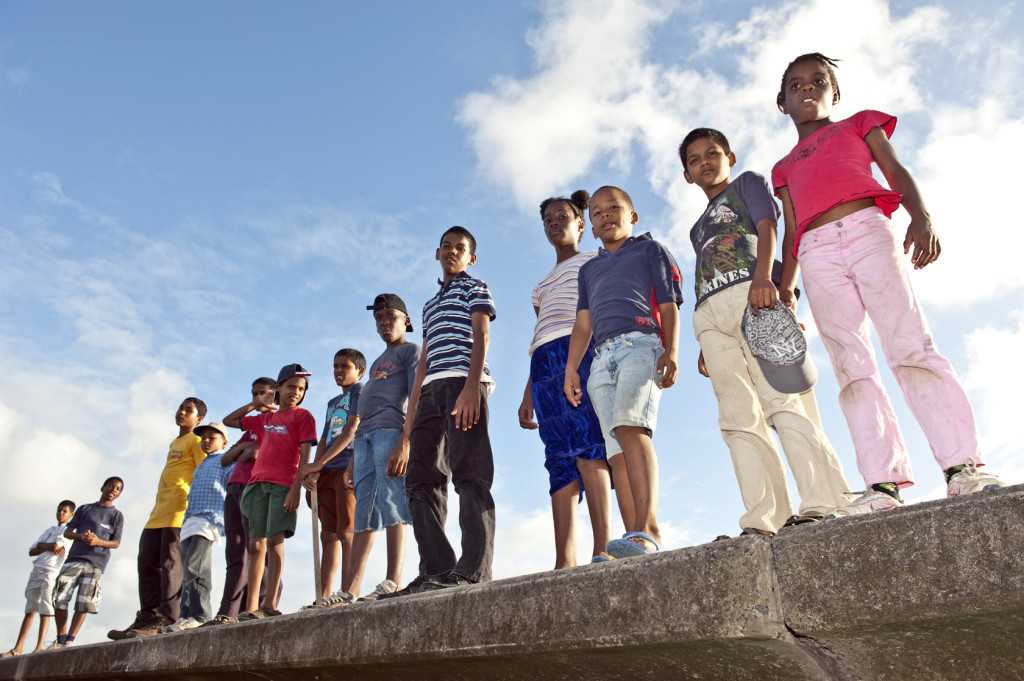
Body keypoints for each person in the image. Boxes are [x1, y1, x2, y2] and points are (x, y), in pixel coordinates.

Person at [772, 53, 1005, 516]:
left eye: (819, 81)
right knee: (851, 368)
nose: (808, 89)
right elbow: (792, 230)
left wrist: (921, 215)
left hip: (868, 232)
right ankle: (883, 485)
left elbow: (895, 173)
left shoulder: (860, 124)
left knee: (909, 344)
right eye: (796, 85)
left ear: (834, 93)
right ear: (782, 102)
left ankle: (963, 467)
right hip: (816, 253)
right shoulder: (783, 168)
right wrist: (786, 288)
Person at [679, 127, 852, 536]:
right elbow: (707, 271)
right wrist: (704, 339)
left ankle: (825, 501)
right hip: (710, 316)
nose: (705, 161)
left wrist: (766, 279)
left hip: (752, 296)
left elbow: (769, 227)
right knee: (737, 418)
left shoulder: (747, 183)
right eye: (694, 160)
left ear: (730, 157)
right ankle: (765, 518)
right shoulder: (696, 226)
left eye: (712, 153)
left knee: (783, 401)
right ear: (687, 174)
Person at [564, 186, 683, 558]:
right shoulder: (589, 269)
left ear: (632, 216)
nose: (605, 215)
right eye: (597, 213)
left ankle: (649, 528)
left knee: (632, 428)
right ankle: (634, 538)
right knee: (615, 449)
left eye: (614, 208)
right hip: (600, 360)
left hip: (641, 345)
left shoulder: (650, 250)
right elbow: (583, 324)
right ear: (592, 228)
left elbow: (669, 302)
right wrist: (571, 369)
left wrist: (672, 349)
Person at [383, 226, 496, 597]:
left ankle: (474, 569)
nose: (452, 251)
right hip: (430, 392)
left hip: (464, 383)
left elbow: (481, 337)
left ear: (471, 257)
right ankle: (436, 567)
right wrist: (407, 428)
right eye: (446, 246)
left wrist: (470, 389)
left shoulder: (475, 288)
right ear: (437, 253)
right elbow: (422, 365)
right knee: (419, 480)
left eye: (460, 248)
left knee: (470, 474)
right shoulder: (429, 306)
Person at [518, 190, 625, 567]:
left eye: (562, 216)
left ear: (581, 223)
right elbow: (538, 334)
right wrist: (528, 392)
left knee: (589, 445)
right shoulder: (540, 286)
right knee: (557, 456)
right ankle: (564, 558)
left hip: (579, 352)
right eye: (548, 219)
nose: (554, 223)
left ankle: (603, 547)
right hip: (543, 363)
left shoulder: (594, 260)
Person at [336, 294, 419, 602]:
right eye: (379, 318)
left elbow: (414, 398)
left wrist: (405, 441)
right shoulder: (375, 363)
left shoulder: (411, 351)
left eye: (392, 317)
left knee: (393, 501)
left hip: (390, 432)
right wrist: (352, 460)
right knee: (363, 513)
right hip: (364, 439)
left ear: (406, 321)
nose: (385, 323)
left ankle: (393, 580)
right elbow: (365, 412)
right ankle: (350, 590)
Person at [224, 364, 317, 618]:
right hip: (256, 485)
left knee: (275, 542)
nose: (296, 393)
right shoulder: (265, 419)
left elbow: (306, 456)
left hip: (283, 485)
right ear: (278, 388)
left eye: (301, 389)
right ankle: (251, 607)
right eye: (290, 387)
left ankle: (270, 605)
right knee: (256, 546)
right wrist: (257, 403)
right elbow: (229, 421)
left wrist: (296, 489)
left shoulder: (303, 416)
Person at [108, 398, 206, 640]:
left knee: (171, 566)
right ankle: (148, 616)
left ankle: (167, 617)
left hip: (178, 512)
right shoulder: (175, 442)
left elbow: (203, 473)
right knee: (147, 564)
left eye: (189, 410)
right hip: (157, 515)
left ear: (199, 419)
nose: (182, 412)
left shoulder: (196, 441)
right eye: (181, 408)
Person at [204, 377, 276, 626]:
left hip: (255, 488)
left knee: (256, 549)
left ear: (275, 394)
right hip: (233, 488)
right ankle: (228, 611)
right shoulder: (250, 426)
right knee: (235, 553)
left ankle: (255, 606)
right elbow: (226, 459)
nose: (258, 399)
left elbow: (256, 453)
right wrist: (245, 446)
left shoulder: (276, 422)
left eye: (264, 394)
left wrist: (247, 450)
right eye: (255, 394)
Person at [298, 349, 365, 606]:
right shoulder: (332, 403)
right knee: (328, 534)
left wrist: (323, 463)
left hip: (346, 468)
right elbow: (325, 438)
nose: (338, 370)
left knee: (347, 532)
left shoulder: (360, 392)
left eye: (344, 366)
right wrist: (316, 467)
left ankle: (347, 591)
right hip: (326, 471)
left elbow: (352, 428)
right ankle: (323, 596)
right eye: (335, 366)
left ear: (359, 370)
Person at [154, 422, 234, 633]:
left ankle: (200, 615)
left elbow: (232, 486)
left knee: (195, 567)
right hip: (190, 520)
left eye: (212, 437)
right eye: (204, 438)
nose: (206, 441)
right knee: (187, 569)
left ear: (224, 442)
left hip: (209, 520)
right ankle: (185, 615)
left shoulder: (226, 462)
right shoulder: (200, 466)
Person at [51, 478, 123, 648]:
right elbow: (68, 532)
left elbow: (116, 543)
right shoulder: (85, 509)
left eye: (118, 489)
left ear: (119, 494)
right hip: (75, 557)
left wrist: (97, 541)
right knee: (59, 597)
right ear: (103, 487)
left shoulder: (117, 516)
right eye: (111, 486)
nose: (113, 490)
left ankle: (70, 640)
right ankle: (60, 637)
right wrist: (81, 536)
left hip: (96, 562)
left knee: (84, 602)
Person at [3, 500, 75, 656]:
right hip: (37, 569)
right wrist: (47, 545)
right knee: (30, 609)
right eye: (59, 510)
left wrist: (44, 546)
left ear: (71, 514)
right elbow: (32, 550)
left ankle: (38, 647)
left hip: (51, 571)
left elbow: (57, 547)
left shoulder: (68, 531)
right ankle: (18, 648)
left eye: (64, 511)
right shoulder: (49, 530)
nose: (60, 513)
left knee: (45, 609)